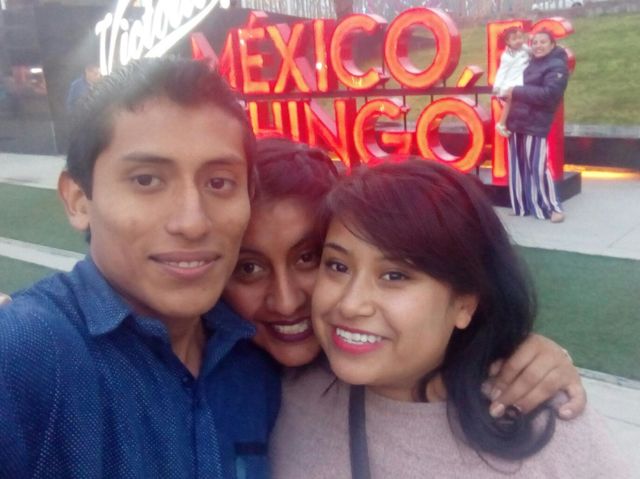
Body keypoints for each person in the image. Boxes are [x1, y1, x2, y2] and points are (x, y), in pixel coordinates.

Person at [0, 58, 279, 478]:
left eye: (219, 183)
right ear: (78, 200)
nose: (193, 222)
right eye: (146, 180)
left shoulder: (254, 360)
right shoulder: (24, 356)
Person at [270, 158, 630, 478]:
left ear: (465, 304)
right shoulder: (284, 392)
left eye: (395, 275)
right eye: (337, 266)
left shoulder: (548, 428)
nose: (350, 305)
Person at [224, 137, 586, 418]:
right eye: (248, 268)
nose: (286, 301)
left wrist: (527, 354)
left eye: (309, 258)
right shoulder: (215, 375)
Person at [504, 29, 569, 223]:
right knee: (518, 166)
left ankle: (553, 208)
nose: (538, 46)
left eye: (543, 42)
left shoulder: (557, 66)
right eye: (535, 42)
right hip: (516, 120)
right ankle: (522, 206)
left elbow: (549, 95)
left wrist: (516, 91)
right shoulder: (528, 62)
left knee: (537, 166)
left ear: (552, 45)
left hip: (535, 122)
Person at [493, 26, 530, 138]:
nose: (518, 41)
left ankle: (503, 124)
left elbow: (533, 53)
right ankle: (501, 123)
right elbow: (502, 71)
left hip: (523, 80)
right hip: (513, 82)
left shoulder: (524, 48)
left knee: (514, 104)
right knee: (510, 102)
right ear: (507, 42)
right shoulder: (507, 56)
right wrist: (497, 86)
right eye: (514, 39)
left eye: (520, 37)